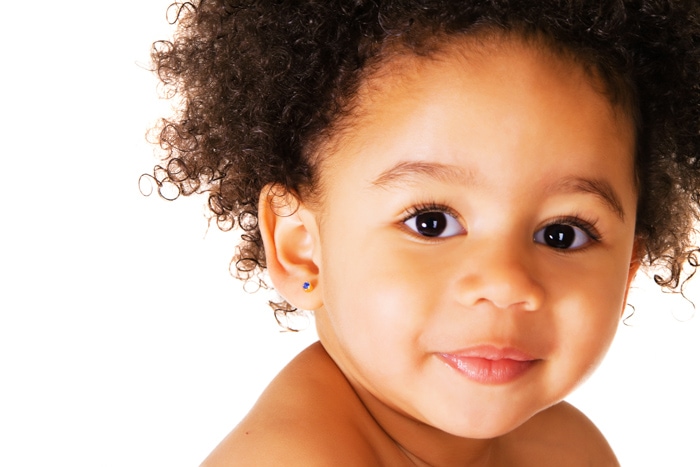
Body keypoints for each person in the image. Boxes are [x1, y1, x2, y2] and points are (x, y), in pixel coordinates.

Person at [144, 1, 700, 465]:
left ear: (627, 271)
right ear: (302, 251)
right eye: (431, 223)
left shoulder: (567, 448)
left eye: (562, 234)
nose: (506, 283)